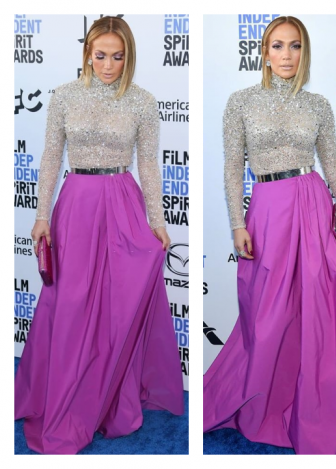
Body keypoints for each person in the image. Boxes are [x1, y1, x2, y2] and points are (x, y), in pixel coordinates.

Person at [14, 16, 184, 455]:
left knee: (117, 304)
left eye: (118, 56)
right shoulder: (64, 96)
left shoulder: (143, 101)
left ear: (129, 57)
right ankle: (67, 390)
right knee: (71, 303)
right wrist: (41, 215)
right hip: (76, 205)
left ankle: (111, 394)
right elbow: (51, 157)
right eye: (101, 55)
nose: (109, 65)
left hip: (122, 203)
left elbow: (149, 165)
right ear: (87, 54)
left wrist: (158, 221)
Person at [202, 16, 336, 455]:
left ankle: (309, 400)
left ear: (304, 52)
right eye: (277, 46)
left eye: (295, 46)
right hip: (269, 210)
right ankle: (263, 402)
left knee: (323, 307)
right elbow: (232, 168)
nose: (286, 55)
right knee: (269, 315)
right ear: (264, 53)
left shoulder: (317, 105)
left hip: (311, 204)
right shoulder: (241, 102)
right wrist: (237, 223)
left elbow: (332, 162)